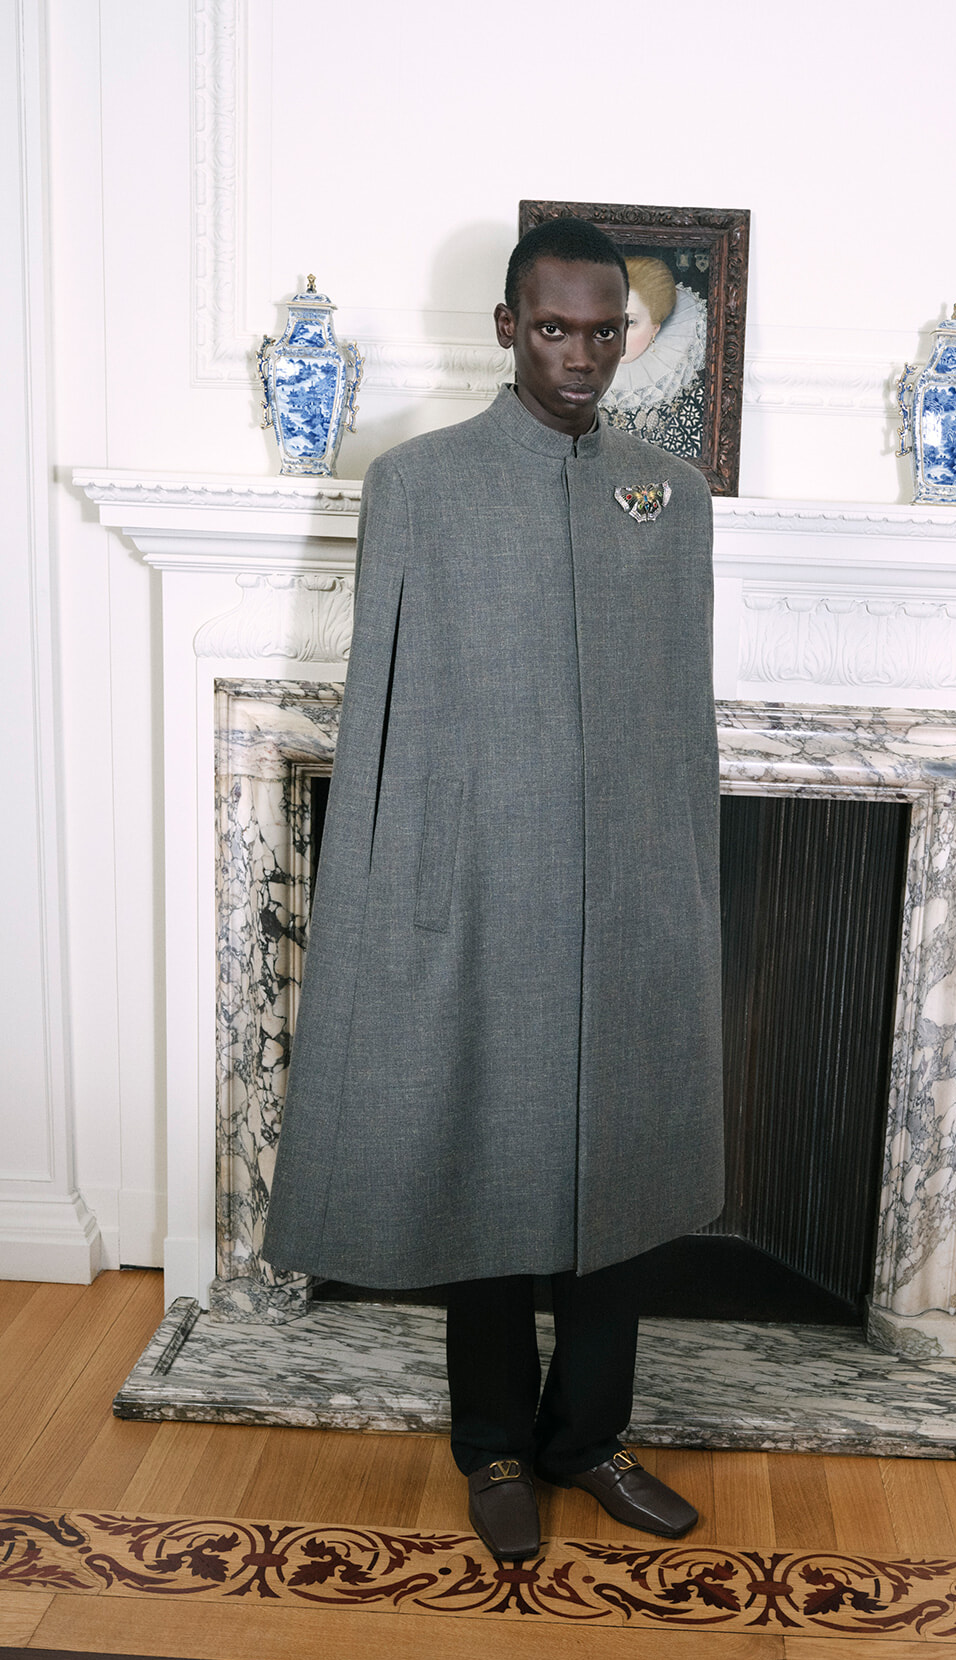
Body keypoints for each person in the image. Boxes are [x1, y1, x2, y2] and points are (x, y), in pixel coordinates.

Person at [262, 217, 725, 1561]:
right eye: (552, 328)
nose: (579, 355)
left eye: (603, 331)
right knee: (486, 1161)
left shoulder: (670, 494)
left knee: (621, 1185)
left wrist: (685, 890)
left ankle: (590, 1438)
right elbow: (382, 706)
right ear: (509, 328)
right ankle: (496, 1446)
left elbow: (682, 719)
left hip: (633, 900)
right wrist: (393, 891)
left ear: (625, 336)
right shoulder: (422, 485)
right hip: (484, 885)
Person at [600, 253, 707, 460]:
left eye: (631, 323)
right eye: (609, 321)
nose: (616, 335)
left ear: (655, 328)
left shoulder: (684, 390)